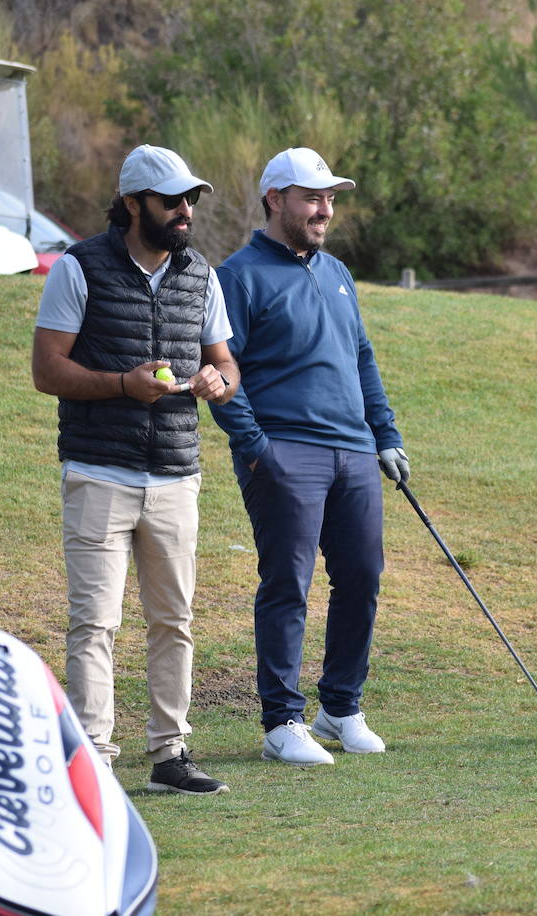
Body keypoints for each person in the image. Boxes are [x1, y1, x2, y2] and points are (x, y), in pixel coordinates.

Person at [32, 144, 240, 795]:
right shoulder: (78, 268)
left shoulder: (201, 274)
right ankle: (93, 755)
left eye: (190, 201)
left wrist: (217, 380)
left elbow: (228, 367)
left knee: (173, 620)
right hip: (98, 472)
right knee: (95, 621)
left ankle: (169, 754)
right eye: (170, 201)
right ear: (131, 204)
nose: (184, 212)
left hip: (177, 475)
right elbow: (47, 370)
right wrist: (124, 384)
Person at [210, 148, 409, 767]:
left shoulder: (338, 272)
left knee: (361, 578)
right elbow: (216, 366)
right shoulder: (237, 276)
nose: (324, 209)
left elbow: (363, 357)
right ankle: (280, 721)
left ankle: (340, 707)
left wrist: (386, 434)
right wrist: (255, 446)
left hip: (353, 450)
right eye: (311, 198)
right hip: (284, 450)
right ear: (275, 200)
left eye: (330, 198)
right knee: (287, 583)